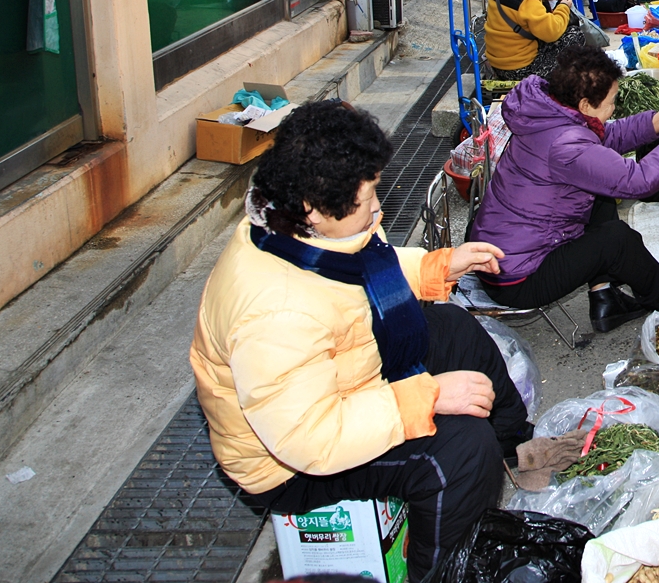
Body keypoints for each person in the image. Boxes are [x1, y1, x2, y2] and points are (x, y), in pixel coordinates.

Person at [190, 100, 528, 579]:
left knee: (454, 329)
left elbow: (362, 273)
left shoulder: (302, 229)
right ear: (313, 207)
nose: (378, 209)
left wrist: (439, 266)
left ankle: (517, 451)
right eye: (366, 199)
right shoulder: (274, 310)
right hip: (291, 464)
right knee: (461, 449)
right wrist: (427, 397)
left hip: (345, 378)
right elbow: (310, 438)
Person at [469, 46, 659, 330]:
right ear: (584, 105)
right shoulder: (565, 145)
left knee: (601, 198)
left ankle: (604, 298)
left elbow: (605, 140)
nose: (614, 107)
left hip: (501, 251)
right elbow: (638, 180)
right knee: (615, 240)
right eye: (611, 101)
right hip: (517, 277)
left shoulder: (548, 115)